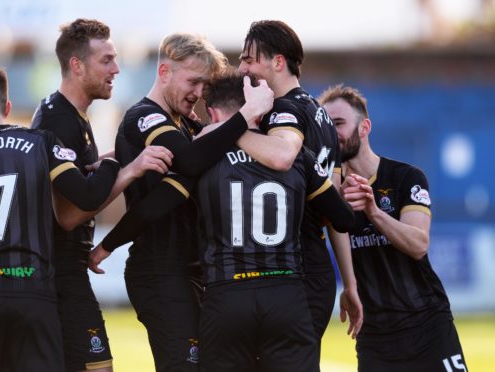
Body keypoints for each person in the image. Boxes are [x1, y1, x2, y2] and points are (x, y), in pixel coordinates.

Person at [0, 65, 161, 371]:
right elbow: (88, 196)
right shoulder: (42, 143)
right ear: (8, 106)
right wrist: (109, 165)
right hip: (33, 296)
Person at [90, 34, 273, 371]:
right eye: (193, 81)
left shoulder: (187, 123)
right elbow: (190, 161)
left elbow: (205, 154)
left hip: (193, 270)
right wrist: (246, 115)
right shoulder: (145, 116)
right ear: (164, 72)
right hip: (160, 271)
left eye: (205, 84)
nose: (200, 93)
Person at [31, 18, 172, 372]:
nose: (117, 68)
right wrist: (128, 170)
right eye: (106, 60)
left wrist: (120, 159)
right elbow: (67, 215)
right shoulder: (59, 120)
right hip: (58, 275)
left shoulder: (68, 114)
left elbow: (87, 177)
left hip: (62, 273)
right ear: (77, 65)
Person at [195, 71, 357, 371]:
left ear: (214, 114)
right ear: (262, 110)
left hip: (226, 294)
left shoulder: (203, 154)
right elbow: (344, 219)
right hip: (286, 295)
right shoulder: (297, 155)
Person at [319, 84, 467, 372]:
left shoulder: (405, 178)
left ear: (364, 127)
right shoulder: (330, 192)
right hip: (374, 336)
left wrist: (373, 211)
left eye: (339, 124)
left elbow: (418, 244)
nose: (332, 133)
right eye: (326, 126)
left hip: (427, 325)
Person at [235, 20, 363, 353]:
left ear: (277, 62)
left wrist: (228, 130)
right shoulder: (319, 114)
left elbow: (281, 154)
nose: (241, 68)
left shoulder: (283, 111)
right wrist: (348, 283)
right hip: (315, 267)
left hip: (290, 267)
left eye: (249, 59)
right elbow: (333, 207)